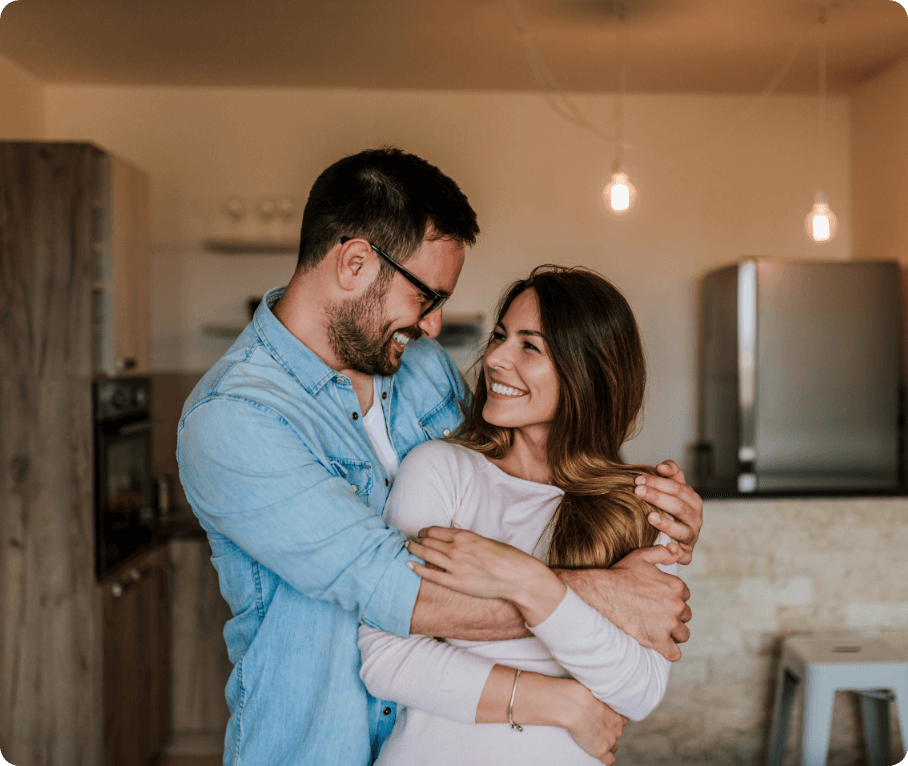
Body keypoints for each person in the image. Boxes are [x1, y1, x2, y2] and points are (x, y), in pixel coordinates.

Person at [177, 148, 703, 766]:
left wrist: (654, 513)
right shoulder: (235, 417)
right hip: (317, 746)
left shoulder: (418, 367)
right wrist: (607, 594)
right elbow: (399, 592)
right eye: (427, 296)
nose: (433, 326)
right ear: (354, 263)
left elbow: (512, 475)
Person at [358, 265, 682, 765]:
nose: (495, 358)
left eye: (530, 346)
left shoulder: (639, 506)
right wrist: (565, 703)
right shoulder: (441, 470)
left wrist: (529, 582)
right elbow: (388, 658)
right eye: (500, 337)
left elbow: (639, 690)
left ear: (588, 373)